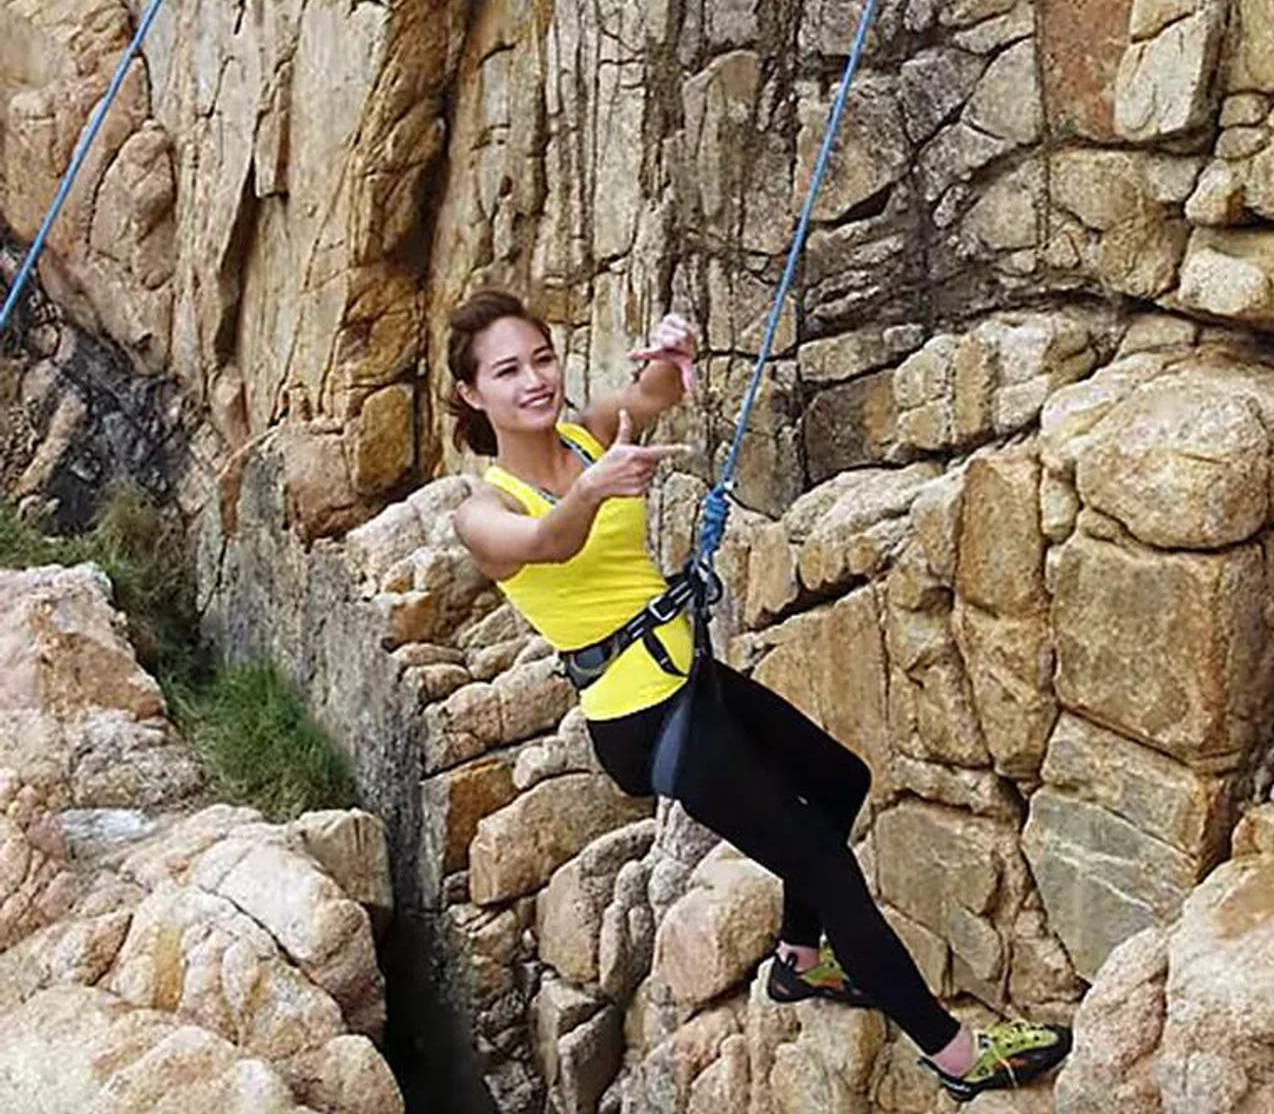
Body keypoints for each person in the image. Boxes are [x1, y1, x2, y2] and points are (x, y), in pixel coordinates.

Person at [444, 289, 1071, 1101]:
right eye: (507, 371)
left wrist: (674, 353)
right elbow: (544, 543)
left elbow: (654, 394)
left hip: (686, 677)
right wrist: (592, 491)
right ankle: (957, 1058)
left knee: (841, 780)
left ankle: (799, 963)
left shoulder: (586, 431)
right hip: (642, 718)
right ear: (471, 393)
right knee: (821, 860)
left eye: (541, 358)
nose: (534, 380)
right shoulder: (485, 510)